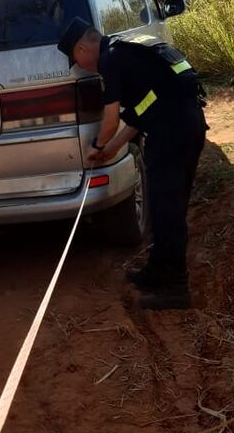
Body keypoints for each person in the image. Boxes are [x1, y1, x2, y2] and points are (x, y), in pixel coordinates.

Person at [58, 18, 207, 310]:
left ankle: (176, 287)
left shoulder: (110, 59)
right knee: (164, 206)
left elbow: (111, 119)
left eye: (75, 59)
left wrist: (97, 146)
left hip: (172, 133)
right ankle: (157, 271)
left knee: (167, 210)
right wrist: (110, 151)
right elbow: (141, 113)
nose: (79, 65)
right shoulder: (129, 49)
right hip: (187, 125)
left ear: (82, 47)